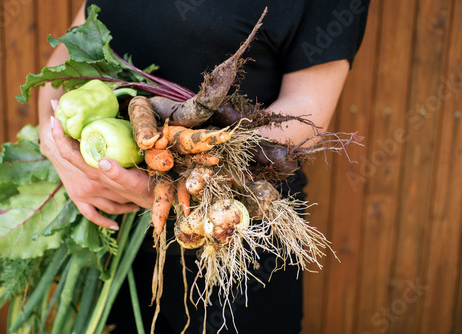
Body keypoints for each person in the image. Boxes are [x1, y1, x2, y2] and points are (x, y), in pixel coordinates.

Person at [39, 1, 370, 332]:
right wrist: (57, 149)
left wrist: (185, 173)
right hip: (112, 232)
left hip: (237, 226)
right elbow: (66, 62)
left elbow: (308, 112)